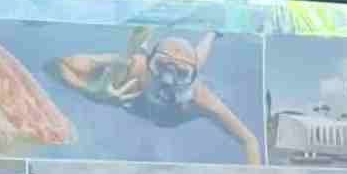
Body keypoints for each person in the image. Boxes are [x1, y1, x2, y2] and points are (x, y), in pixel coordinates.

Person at [51, 26, 263, 164]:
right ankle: (208, 36)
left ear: (191, 79)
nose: (167, 81)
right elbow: (55, 64)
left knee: (196, 60)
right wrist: (88, 90)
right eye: (161, 66)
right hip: (143, 69)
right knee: (188, 61)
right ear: (148, 62)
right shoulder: (131, 67)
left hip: (180, 105)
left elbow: (249, 141)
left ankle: (212, 34)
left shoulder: (200, 98)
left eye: (181, 74)